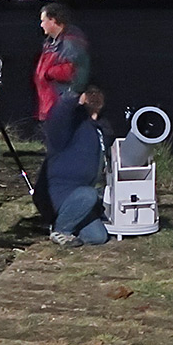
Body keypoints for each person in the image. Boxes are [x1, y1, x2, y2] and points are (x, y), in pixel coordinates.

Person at [42, 85, 114, 247]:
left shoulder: (100, 129)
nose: (94, 96)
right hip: (60, 193)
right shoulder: (70, 125)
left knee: (98, 237)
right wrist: (74, 94)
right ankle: (60, 230)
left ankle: (72, 223)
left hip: (81, 194)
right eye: (90, 94)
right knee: (89, 195)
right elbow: (61, 112)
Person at [33, 3, 90, 125]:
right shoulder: (51, 43)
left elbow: (78, 72)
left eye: (43, 21)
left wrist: (49, 73)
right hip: (51, 105)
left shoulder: (70, 43)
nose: (41, 25)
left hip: (62, 106)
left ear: (53, 20)